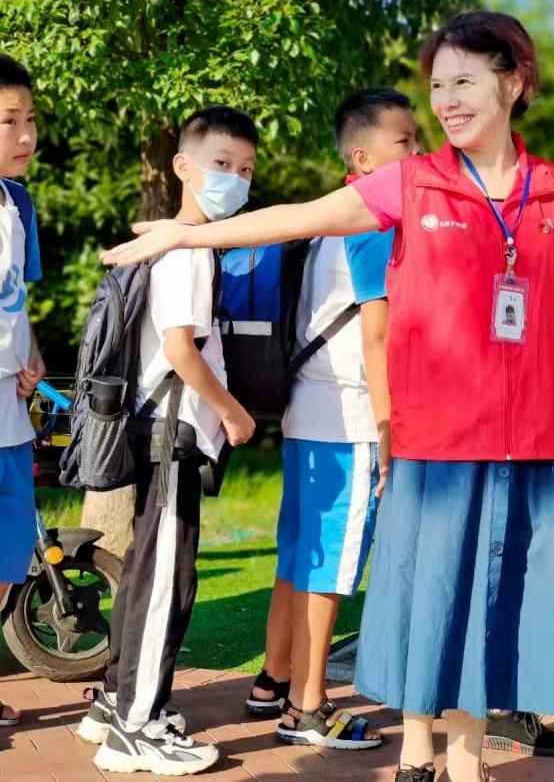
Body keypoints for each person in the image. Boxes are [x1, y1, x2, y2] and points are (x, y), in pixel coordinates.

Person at [101, 11, 554, 782]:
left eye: (463, 81)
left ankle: (463, 763)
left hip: (528, 444)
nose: (446, 100)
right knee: (430, 600)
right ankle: (416, 749)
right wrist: (185, 235)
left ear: (514, 81)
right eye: (437, 85)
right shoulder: (414, 180)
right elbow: (297, 215)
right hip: (437, 441)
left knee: (490, 609)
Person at [81, 107, 257, 776]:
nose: (235, 180)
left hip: (160, 428)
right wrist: (233, 413)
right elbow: (182, 350)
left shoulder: (185, 244)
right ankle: (137, 723)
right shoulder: (185, 248)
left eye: (245, 170)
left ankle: (116, 704)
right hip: (174, 428)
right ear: (182, 166)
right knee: (166, 581)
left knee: (149, 573)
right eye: (221, 165)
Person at [245, 88, 419, 749]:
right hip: (347, 418)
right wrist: (388, 426)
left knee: (297, 556)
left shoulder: (327, 220)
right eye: (404, 140)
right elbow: (376, 338)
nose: (417, 152)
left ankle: (274, 680)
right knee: (330, 566)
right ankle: (308, 707)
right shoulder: (371, 223)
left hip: (303, 409)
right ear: (362, 154)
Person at [0, 54, 46, 729]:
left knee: (10, 554)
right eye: (10, 122)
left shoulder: (19, 203)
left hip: (8, 411)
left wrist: (31, 354)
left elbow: (19, 299)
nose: (26, 136)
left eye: (31, 119)